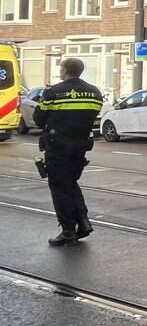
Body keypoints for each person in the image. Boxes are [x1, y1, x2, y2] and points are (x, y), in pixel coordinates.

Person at [34, 58, 104, 247]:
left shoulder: (53, 92)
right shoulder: (95, 93)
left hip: (57, 147)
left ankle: (68, 232)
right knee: (71, 184)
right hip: (80, 147)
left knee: (59, 188)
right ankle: (83, 221)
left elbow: (38, 119)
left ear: (64, 70)